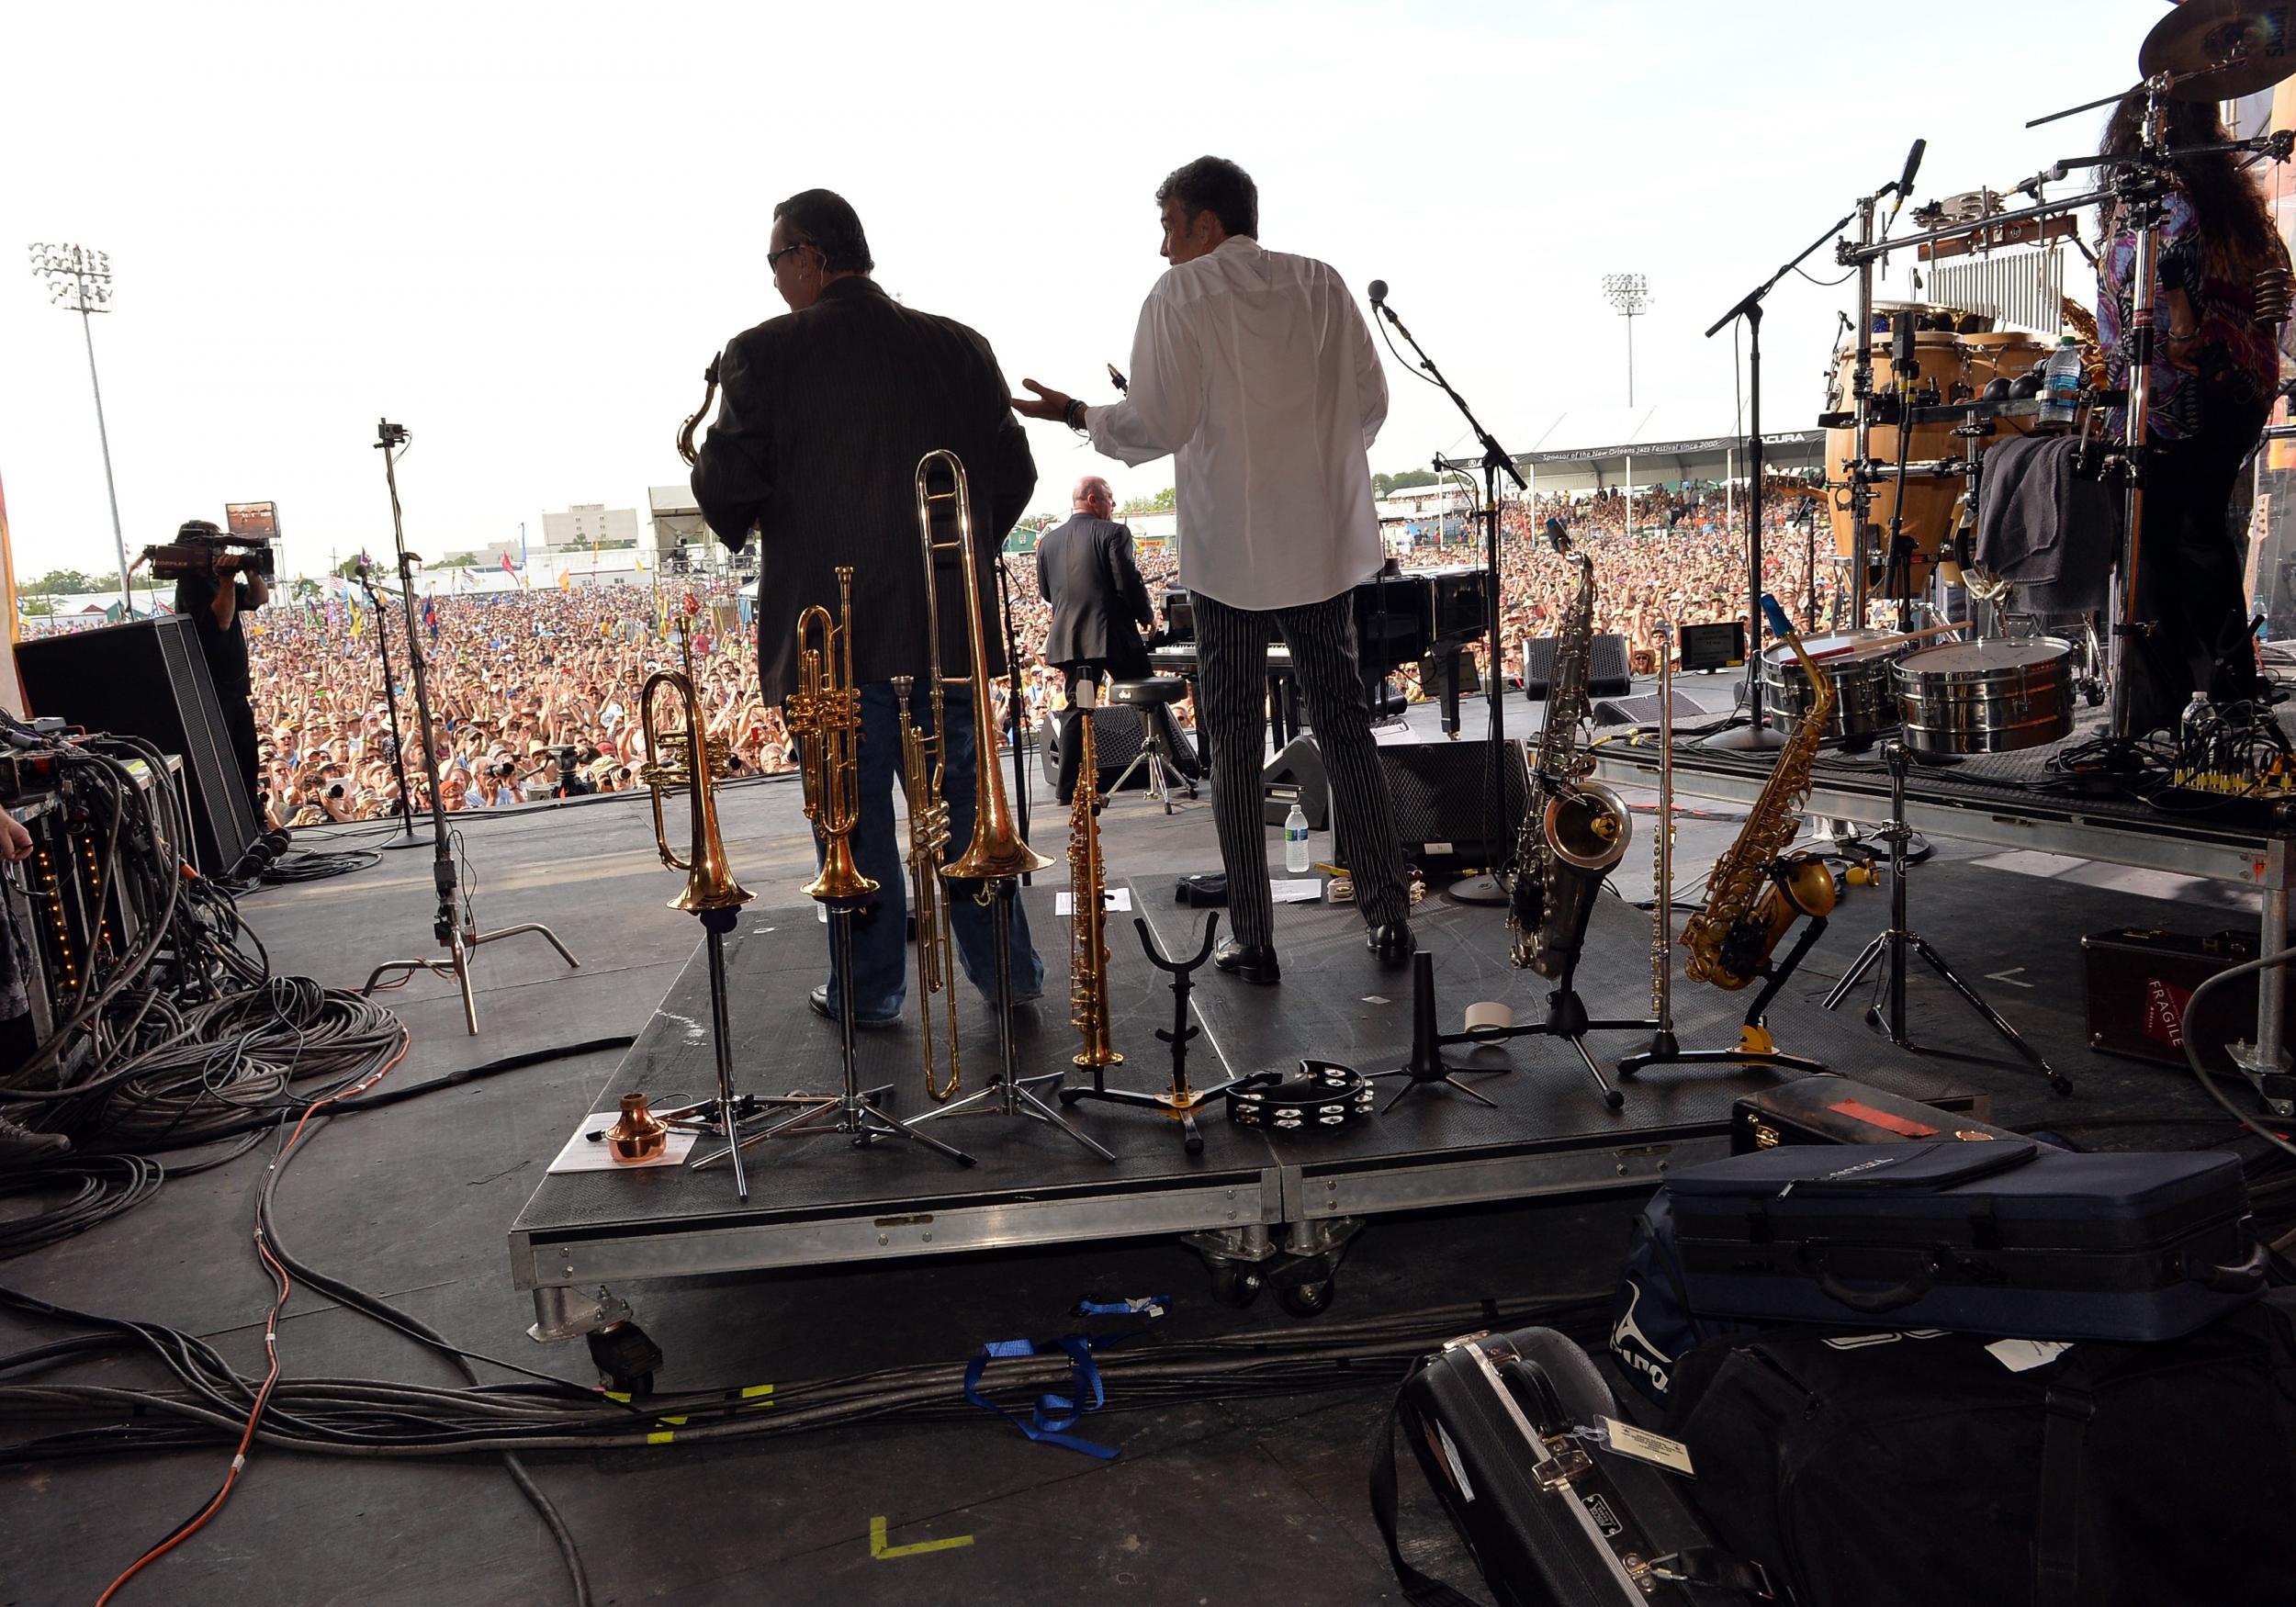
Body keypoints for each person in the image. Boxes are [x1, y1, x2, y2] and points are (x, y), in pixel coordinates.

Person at [1012, 155, 1412, 983]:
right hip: (1321, 546)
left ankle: (1255, 938)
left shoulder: (1178, 296)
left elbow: (1157, 421)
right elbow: (1371, 405)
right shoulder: (1325, 285)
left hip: (1230, 557)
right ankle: (1389, 917)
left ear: (1204, 223)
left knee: (1231, 740)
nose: (1162, 249)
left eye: (1168, 227)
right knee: (1344, 727)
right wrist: (1312, 470)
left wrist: (1079, 414)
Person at [692, 187, 1045, 1028]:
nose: (776, 280)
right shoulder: (962, 346)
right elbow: (1012, 477)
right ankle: (1009, 976)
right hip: (944, 633)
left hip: (834, 644)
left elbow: (726, 498)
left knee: (851, 826)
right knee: (968, 811)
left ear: (812, 258)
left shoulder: (760, 354)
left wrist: (713, 441)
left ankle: (871, 990)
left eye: (778, 261)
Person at [2097, 89, 2291, 735]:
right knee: (2202, 537)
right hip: (2237, 385)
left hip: (2176, 387)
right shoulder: (2231, 203)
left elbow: (2143, 311)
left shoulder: (2159, 200)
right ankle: (2227, 695)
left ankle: (2163, 710)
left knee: (2153, 545)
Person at [1036, 475, 1194, 804]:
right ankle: (1178, 768)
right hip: (1115, 641)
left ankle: (1067, 789)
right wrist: (1146, 615)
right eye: (1110, 498)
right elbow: (1127, 582)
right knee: (1147, 701)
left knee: (1080, 709)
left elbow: (1047, 593)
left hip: (1077, 646)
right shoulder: (1113, 533)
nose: (1113, 505)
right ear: (1093, 499)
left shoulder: (1048, 543)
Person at [170, 520, 268, 813]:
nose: (222, 552)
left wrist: (252, 574)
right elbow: (219, 623)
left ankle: (252, 817)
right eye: (215, 547)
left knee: (248, 762)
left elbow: (257, 598)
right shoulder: (192, 585)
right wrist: (226, 581)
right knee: (228, 764)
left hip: (234, 692)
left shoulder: (215, 581)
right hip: (212, 694)